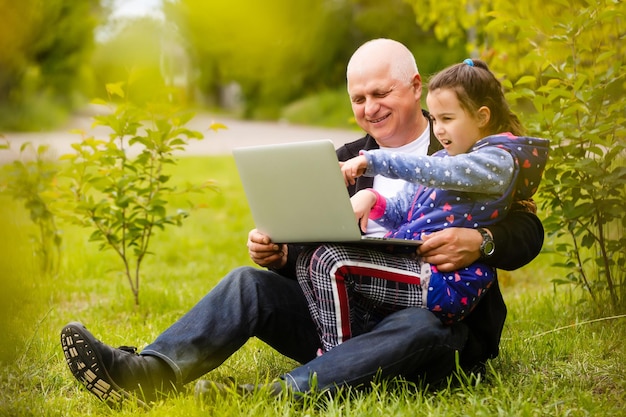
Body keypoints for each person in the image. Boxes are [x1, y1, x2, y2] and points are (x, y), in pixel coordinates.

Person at [60, 39, 545, 407]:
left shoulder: (459, 145)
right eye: (358, 98)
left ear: (416, 86)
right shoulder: (342, 160)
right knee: (247, 284)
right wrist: (280, 252)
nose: (369, 107)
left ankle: (273, 394)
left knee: (420, 327)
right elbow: (315, 252)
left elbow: (529, 231)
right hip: (343, 313)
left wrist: (480, 241)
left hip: (429, 319)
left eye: (381, 92)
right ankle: (146, 373)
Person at [296, 59, 549, 354]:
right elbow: (405, 208)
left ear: (482, 117)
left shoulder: (496, 161)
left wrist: (374, 161)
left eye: (447, 119)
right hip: (413, 266)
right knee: (308, 261)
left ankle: (335, 363)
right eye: (436, 120)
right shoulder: (446, 158)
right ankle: (340, 351)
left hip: (445, 281)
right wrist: (373, 201)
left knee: (332, 260)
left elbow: (442, 172)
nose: (439, 130)